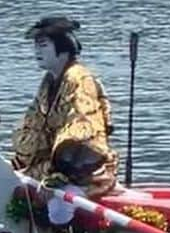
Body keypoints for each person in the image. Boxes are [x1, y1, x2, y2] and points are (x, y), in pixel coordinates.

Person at [11, 16, 117, 198]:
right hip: (52, 165)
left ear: (63, 49)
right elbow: (34, 125)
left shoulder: (79, 78)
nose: (37, 51)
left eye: (43, 45)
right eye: (36, 46)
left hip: (84, 169)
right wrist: (19, 161)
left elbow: (83, 126)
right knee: (13, 181)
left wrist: (58, 160)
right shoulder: (48, 82)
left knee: (58, 206)